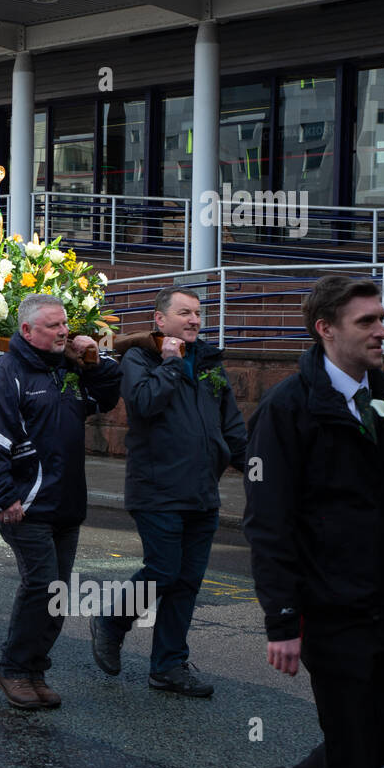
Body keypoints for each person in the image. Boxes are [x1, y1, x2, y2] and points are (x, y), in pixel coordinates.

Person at [244, 276, 384, 768]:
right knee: (352, 746)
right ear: (326, 330)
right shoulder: (285, 408)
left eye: (382, 318)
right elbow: (268, 523)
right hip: (329, 613)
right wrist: (281, 621)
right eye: (367, 321)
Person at [90, 286, 248, 696]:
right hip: (157, 488)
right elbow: (143, 404)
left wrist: (258, 471)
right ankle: (112, 620)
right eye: (184, 313)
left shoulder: (210, 361)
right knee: (163, 571)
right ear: (160, 320)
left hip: (202, 491)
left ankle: (168, 667)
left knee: (187, 581)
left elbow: (231, 426)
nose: (195, 320)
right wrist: (173, 363)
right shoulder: (140, 357)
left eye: (197, 313)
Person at [0, 293, 121, 709]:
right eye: (54, 326)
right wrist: (1, 496)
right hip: (25, 505)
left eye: (65, 324)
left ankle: (35, 670)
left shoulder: (67, 370)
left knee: (56, 592)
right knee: (41, 585)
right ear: (26, 330)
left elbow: (108, 394)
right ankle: (14, 670)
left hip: (66, 503)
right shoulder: (7, 375)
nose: (63, 331)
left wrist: (91, 356)